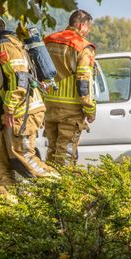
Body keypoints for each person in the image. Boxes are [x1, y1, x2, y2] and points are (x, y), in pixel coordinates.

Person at [0, 8, 56, 193]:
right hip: (10, 113)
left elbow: (19, 79)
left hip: (22, 112)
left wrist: (8, 109)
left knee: (23, 158)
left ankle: (63, 190)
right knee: (0, 160)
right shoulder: (0, 47)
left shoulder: (4, 45)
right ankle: (6, 210)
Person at [42, 10, 97, 166]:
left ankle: (47, 187)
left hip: (49, 107)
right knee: (65, 155)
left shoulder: (48, 41)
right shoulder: (83, 47)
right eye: (88, 28)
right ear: (81, 25)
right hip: (70, 110)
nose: (88, 32)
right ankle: (62, 188)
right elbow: (83, 82)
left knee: (51, 151)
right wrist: (89, 109)